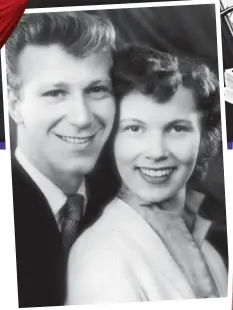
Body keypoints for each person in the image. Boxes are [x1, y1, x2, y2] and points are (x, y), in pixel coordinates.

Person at [67, 45, 228, 304]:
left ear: (204, 139)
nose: (156, 152)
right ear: (110, 139)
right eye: (134, 128)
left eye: (176, 128)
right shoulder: (101, 257)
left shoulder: (209, 253)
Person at [5, 11, 116, 308]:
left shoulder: (128, 194)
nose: (82, 118)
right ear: (15, 105)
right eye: (55, 93)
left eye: (96, 89)